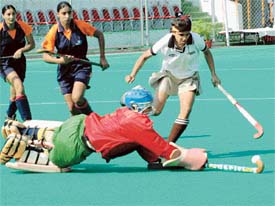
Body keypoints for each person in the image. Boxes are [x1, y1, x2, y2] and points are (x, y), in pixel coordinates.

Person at [0, 86, 207, 173]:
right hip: (73, 146)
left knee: (140, 142)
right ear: (136, 107)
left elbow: (153, 143)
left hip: (77, 122)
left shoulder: (123, 112)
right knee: (57, 158)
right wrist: (192, 158)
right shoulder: (138, 124)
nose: (150, 109)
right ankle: (23, 148)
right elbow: (167, 150)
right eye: (146, 106)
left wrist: (161, 155)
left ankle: (30, 133)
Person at [125, 12, 221, 143]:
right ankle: (128, 123)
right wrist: (133, 74)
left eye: (187, 34)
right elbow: (144, 56)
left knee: (186, 111)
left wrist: (213, 74)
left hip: (189, 78)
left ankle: (169, 146)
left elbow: (207, 53)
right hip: (168, 77)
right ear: (173, 32)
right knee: (156, 111)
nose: (184, 38)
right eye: (181, 35)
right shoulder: (165, 40)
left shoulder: (196, 39)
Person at [41, 1, 109, 116]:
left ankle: (93, 120)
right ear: (58, 14)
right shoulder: (54, 31)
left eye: (69, 13)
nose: (67, 16)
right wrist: (60, 61)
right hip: (64, 70)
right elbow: (45, 56)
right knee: (72, 109)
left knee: (77, 98)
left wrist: (102, 57)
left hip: (81, 66)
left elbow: (99, 35)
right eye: (64, 13)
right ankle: (81, 130)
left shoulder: (80, 25)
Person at [0, 5, 35, 121]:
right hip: (5, 64)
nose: (11, 17)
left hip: (20, 63)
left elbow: (31, 44)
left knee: (14, 93)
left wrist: (21, 50)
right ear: (3, 16)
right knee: (18, 85)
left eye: (13, 14)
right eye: (8, 14)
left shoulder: (23, 26)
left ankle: (9, 115)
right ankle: (28, 121)